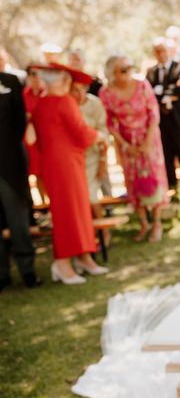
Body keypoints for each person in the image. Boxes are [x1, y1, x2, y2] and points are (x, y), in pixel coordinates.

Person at [31, 63, 109, 285]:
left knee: (74, 209)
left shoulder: (42, 102)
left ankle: (84, 257)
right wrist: (99, 136)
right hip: (65, 162)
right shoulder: (64, 101)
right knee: (69, 212)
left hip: (59, 162)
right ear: (62, 82)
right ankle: (63, 263)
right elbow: (80, 131)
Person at [100, 55, 168, 243]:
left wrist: (147, 142)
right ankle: (143, 222)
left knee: (153, 176)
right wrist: (124, 144)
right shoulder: (105, 93)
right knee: (133, 178)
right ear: (112, 73)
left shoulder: (142, 85)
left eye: (130, 67)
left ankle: (157, 223)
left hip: (149, 137)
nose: (128, 72)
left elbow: (154, 114)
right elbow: (109, 123)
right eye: (123, 69)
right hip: (126, 141)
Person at [0, 70, 41, 292]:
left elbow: (19, 121)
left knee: (18, 221)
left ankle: (27, 270)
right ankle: (2, 275)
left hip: (10, 163)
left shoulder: (9, 81)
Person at [146, 38, 180, 188]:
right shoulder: (151, 72)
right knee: (166, 155)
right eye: (157, 51)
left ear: (169, 51)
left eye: (163, 50)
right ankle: (171, 185)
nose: (161, 54)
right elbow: (148, 94)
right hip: (162, 121)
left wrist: (163, 93)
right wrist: (169, 92)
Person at [70, 81, 111, 246]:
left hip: (92, 155)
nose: (80, 95)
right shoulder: (67, 105)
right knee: (81, 197)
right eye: (75, 90)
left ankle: (103, 232)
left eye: (83, 90)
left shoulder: (94, 104)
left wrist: (102, 160)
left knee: (90, 194)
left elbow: (103, 132)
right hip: (74, 157)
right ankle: (88, 233)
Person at [22, 66, 48, 204]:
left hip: (47, 138)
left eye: (38, 74)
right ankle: (43, 205)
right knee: (37, 173)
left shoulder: (47, 93)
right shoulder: (24, 94)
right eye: (33, 74)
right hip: (31, 139)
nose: (36, 77)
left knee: (49, 172)